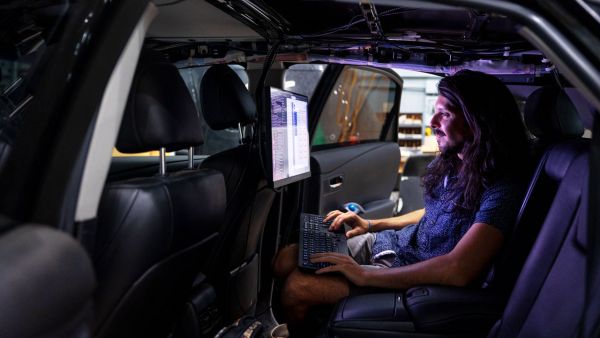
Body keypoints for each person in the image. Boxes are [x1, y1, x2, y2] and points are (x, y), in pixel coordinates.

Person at [272, 70, 531, 335]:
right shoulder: (459, 162)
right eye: (435, 111)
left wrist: (363, 274)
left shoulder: (503, 189)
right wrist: (371, 223)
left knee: (297, 289)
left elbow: (458, 269)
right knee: (285, 259)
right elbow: (432, 211)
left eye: (446, 114)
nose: (432, 122)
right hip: (394, 248)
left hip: (413, 274)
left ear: (478, 122)